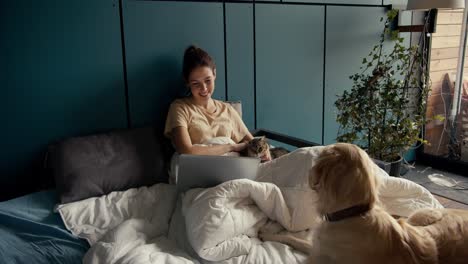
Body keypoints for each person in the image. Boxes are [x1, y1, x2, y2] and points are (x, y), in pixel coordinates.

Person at [165, 45, 271, 160]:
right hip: (201, 171)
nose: (204, 88)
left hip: (233, 168)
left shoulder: (227, 109)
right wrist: (231, 147)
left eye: (208, 80)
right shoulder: (180, 108)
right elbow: (186, 150)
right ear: (187, 82)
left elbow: (251, 143)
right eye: (196, 83)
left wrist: (265, 152)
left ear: (214, 74)